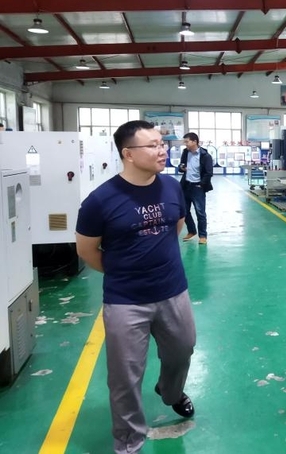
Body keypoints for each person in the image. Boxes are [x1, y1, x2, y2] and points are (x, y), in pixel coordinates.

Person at [75, 120, 197, 453]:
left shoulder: (171, 187)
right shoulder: (100, 201)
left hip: (173, 290)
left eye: (162, 143)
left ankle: (170, 392)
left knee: (183, 350)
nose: (163, 150)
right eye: (153, 145)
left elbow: (176, 224)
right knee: (125, 376)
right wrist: (123, 271)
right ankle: (129, 441)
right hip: (125, 300)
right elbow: (86, 250)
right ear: (128, 154)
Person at [179, 132, 213, 245]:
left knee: (200, 212)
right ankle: (192, 231)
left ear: (194, 141)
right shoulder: (185, 152)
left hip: (198, 188)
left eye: (187, 142)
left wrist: (201, 185)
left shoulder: (205, 156)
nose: (185, 144)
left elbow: (209, 173)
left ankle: (202, 236)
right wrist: (182, 167)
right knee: (184, 211)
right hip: (185, 186)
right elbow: (181, 165)